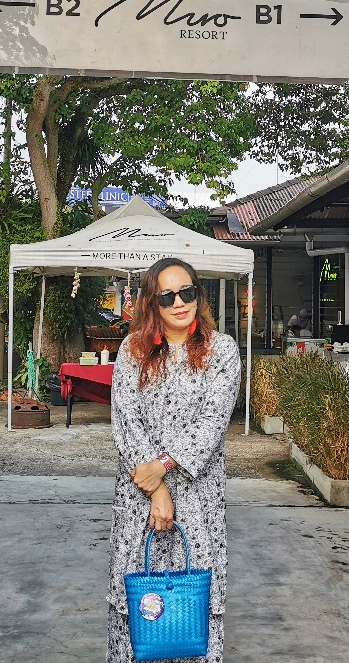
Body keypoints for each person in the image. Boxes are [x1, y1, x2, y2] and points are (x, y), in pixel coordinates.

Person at [106, 257, 241, 663]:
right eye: (167, 296)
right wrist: (156, 490)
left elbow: (211, 424)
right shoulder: (132, 350)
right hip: (139, 499)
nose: (179, 303)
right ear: (152, 302)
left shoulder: (222, 351)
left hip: (198, 500)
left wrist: (162, 466)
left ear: (199, 296)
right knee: (137, 605)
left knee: (192, 605)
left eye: (187, 292)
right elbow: (125, 420)